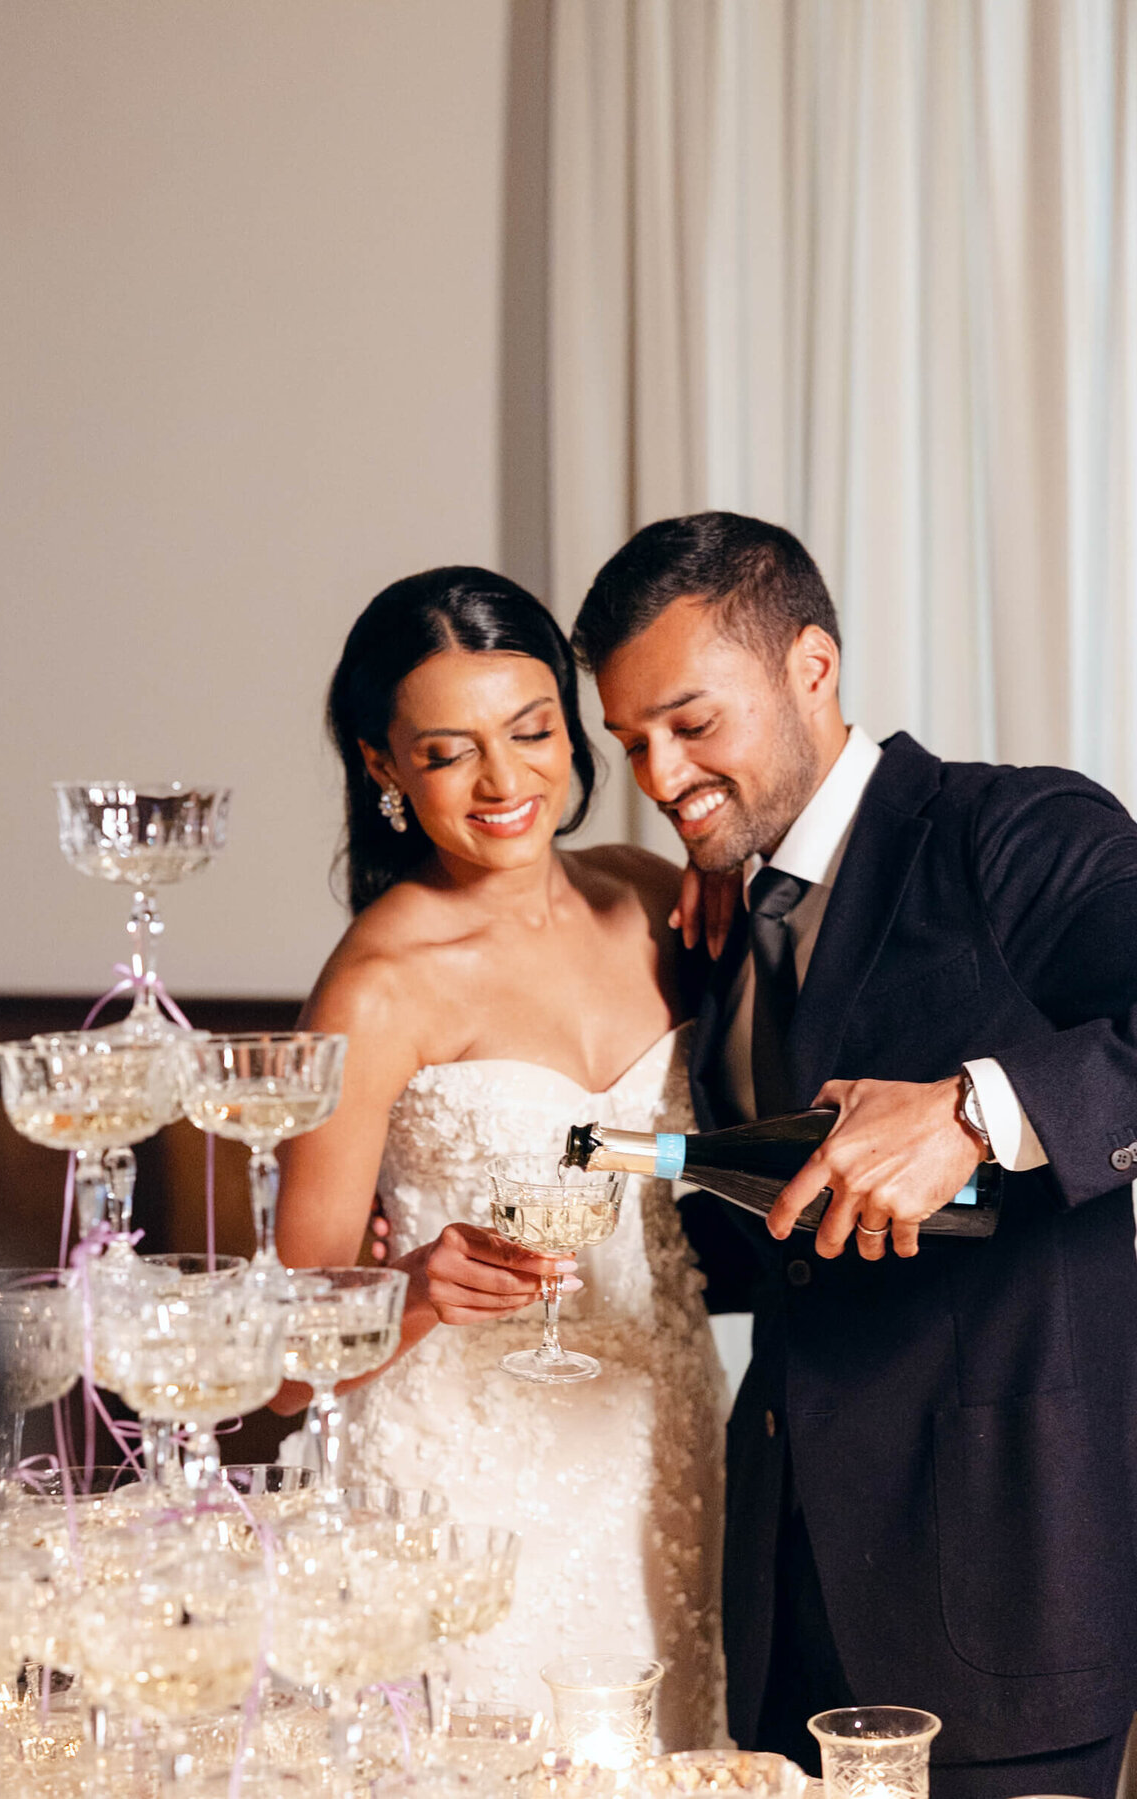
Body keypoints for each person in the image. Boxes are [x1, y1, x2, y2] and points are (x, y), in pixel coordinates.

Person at [560, 509, 1137, 1798]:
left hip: (1006, 1588)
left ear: (812, 667)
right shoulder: (727, 923)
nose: (659, 774)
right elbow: (773, 1241)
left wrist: (973, 1112)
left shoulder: (1012, 832)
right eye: (631, 740)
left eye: (692, 722)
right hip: (787, 1595)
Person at [273, 566, 728, 1745]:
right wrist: (413, 1290)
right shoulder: (377, 988)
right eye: (447, 752)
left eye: (532, 732)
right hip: (464, 1494)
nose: (505, 780)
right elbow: (278, 1357)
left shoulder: (652, 897)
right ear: (382, 765)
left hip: (660, 1451)